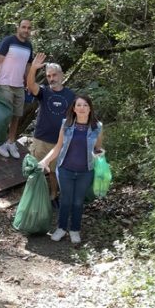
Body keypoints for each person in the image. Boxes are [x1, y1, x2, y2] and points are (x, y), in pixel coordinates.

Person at [38, 95, 104, 245]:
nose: (82, 108)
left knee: (78, 202)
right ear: (74, 109)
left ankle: (75, 230)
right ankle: (61, 228)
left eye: (85, 105)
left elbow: (97, 148)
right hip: (65, 170)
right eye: (79, 105)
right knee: (66, 200)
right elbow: (58, 147)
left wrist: (101, 155)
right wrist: (45, 161)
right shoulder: (66, 125)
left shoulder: (97, 127)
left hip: (85, 171)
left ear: (90, 108)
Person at [25, 53, 75, 203]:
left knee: (54, 171)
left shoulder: (71, 96)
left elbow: (75, 117)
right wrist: (33, 68)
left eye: (54, 75)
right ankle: (31, 197)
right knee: (34, 170)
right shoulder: (44, 91)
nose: (51, 78)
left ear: (61, 75)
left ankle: (54, 196)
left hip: (59, 142)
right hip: (40, 138)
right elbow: (31, 86)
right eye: (48, 76)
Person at [0, 19, 34, 159]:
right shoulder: (8, 41)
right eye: (23, 27)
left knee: (17, 115)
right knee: (5, 115)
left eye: (28, 28)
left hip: (19, 85)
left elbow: (28, 67)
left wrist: (30, 83)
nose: (26, 30)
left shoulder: (29, 46)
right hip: (5, 82)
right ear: (18, 28)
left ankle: (11, 141)